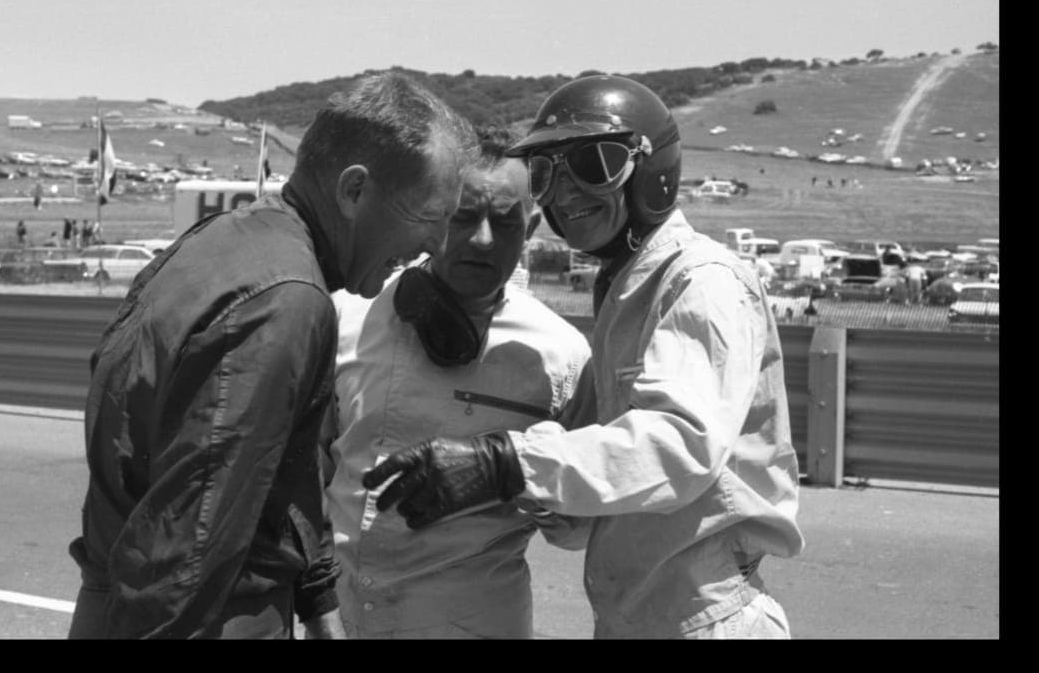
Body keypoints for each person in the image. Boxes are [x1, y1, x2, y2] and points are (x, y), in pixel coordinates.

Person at [364, 75, 804, 639]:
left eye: (594, 164)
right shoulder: (627, 291)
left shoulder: (701, 281)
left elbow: (681, 445)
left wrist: (504, 462)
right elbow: (586, 517)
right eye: (547, 175)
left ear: (651, 167)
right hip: (640, 615)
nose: (567, 194)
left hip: (703, 616)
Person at [67, 72, 476, 639]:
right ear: (355, 191)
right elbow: (192, 543)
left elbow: (275, 470)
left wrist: (317, 601)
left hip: (119, 595)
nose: (437, 245)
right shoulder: (288, 301)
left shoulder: (220, 244)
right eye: (431, 218)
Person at [323, 125, 592, 639]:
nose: (484, 239)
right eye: (464, 217)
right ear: (432, 212)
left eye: (506, 221)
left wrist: (511, 472)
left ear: (532, 226)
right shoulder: (349, 315)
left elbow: (575, 531)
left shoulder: (562, 354)